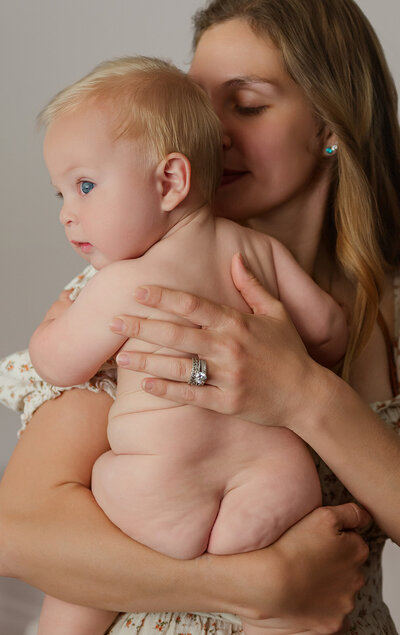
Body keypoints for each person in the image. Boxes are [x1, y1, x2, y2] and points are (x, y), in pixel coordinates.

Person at [0, 0, 398, 633]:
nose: (212, 132)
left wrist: (305, 395)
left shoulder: (388, 311)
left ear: (329, 122)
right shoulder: (135, 280)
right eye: (196, 104)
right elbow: (19, 531)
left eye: (247, 105)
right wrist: (255, 585)